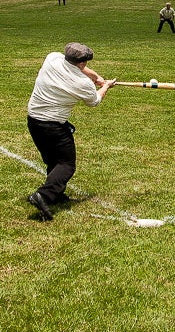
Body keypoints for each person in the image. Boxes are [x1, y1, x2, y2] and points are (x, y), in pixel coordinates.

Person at [25, 42, 115, 220]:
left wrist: (96, 77)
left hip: (33, 120)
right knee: (66, 164)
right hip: (53, 126)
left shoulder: (52, 59)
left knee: (53, 160)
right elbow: (94, 101)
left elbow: (79, 70)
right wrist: (104, 86)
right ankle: (43, 195)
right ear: (81, 63)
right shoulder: (82, 84)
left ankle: (57, 195)